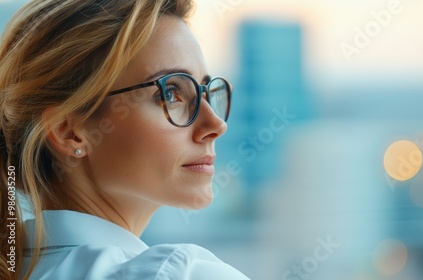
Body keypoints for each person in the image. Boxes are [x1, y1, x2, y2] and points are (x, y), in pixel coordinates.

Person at [0, 0, 250, 279]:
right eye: (169, 94)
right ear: (68, 131)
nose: (216, 124)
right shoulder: (177, 273)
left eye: (205, 92)